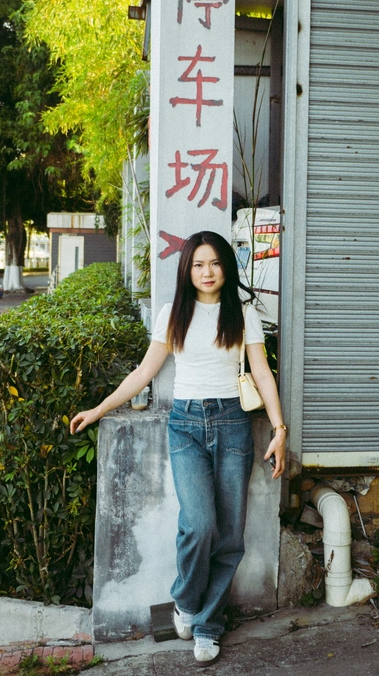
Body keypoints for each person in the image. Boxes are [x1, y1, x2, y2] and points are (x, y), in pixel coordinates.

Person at [70, 231, 286, 666]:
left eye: (215, 263)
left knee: (230, 535)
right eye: (198, 264)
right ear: (187, 269)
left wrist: (280, 429)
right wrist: (98, 409)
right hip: (185, 426)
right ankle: (185, 601)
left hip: (233, 424)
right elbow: (143, 372)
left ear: (227, 267)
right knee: (199, 524)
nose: (207, 272)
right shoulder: (173, 314)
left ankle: (208, 624)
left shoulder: (242, 312)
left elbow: (262, 372)